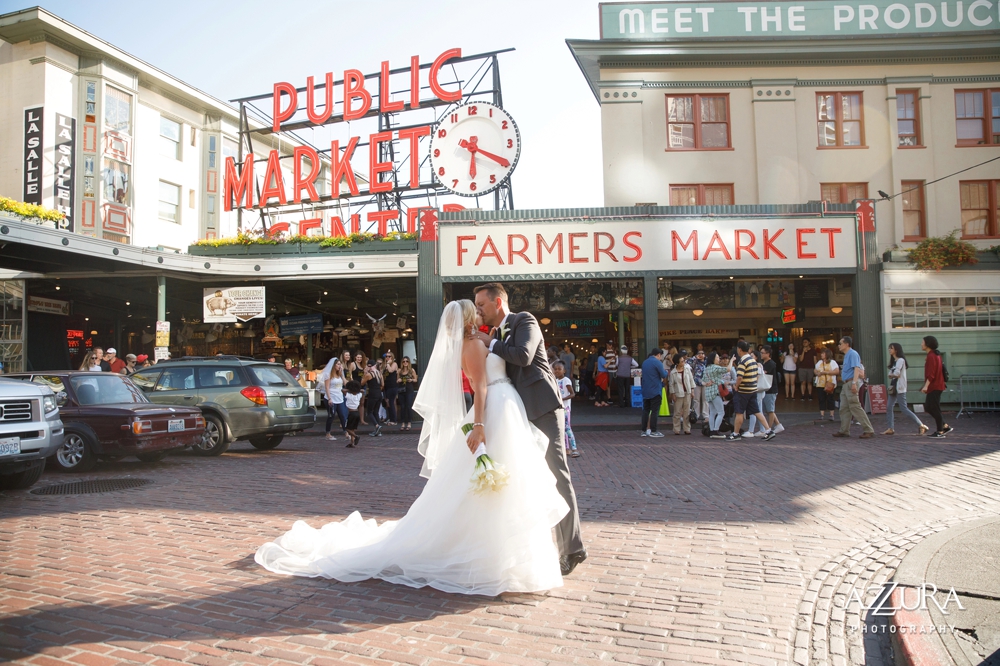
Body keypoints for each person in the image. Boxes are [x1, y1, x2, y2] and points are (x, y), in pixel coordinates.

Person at [257, 300, 571, 594]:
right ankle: (495, 554)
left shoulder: (479, 340)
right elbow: (479, 387)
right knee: (499, 482)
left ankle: (504, 552)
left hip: (506, 408)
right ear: (466, 319)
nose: (479, 312)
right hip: (495, 409)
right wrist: (479, 425)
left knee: (508, 481)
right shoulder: (474, 344)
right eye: (474, 310)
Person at [472, 283, 586, 576]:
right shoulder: (494, 334)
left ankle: (572, 549)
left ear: (498, 302)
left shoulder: (524, 320)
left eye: (481, 304)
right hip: (515, 414)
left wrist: (491, 344)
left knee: (556, 475)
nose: (478, 310)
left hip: (542, 408)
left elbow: (523, 355)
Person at [726, 340, 776, 441]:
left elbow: (740, 377)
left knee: (739, 412)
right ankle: (768, 430)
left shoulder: (742, 362)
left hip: (743, 391)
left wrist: (736, 386)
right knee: (757, 411)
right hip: (752, 390)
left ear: (739, 349)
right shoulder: (753, 360)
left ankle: (735, 434)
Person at [832, 336, 875, 439]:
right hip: (846, 384)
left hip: (851, 382)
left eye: (840, 343)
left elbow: (856, 368)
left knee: (855, 407)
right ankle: (844, 430)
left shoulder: (853, 354)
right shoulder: (847, 355)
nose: (839, 345)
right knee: (844, 408)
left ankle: (868, 429)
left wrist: (854, 383)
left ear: (846, 344)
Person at [885, 343, 928, 436]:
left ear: (896, 350)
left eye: (891, 348)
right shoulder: (895, 361)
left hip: (899, 387)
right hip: (893, 387)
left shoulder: (900, 360)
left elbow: (896, 374)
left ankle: (921, 425)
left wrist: (892, 374)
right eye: (889, 348)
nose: (889, 350)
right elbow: (891, 374)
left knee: (903, 408)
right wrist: (893, 374)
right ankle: (890, 428)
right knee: (889, 406)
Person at [920, 336, 952, 438]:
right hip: (937, 385)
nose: (921, 344)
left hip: (935, 386)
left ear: (927, 344)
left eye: (923, 342)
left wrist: (926, 386)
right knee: (929, 407)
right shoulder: (936, 355)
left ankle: (940, 431)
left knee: (934, 408)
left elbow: (931, 374)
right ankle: (944, 426)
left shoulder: (931, 356)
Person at [553, 362, 579, 458]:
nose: (557, 371)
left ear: (564, 370)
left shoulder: (566, 380)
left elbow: (572, 394)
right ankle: (566, 449)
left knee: (567, 428)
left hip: (565, 408)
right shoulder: (555, 380)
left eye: (559, 369)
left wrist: (562, 399)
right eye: (555, 369)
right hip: (559, 408)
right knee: (561, 429)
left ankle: (574, 448)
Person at [640, 348, 667, 438]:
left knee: (646, 410)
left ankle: (644, 430)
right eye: (661, 356)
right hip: (655, 390)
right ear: (658, 354)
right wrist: (666, 372)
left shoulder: (645, 362)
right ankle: (653, 430)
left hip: (646, 390)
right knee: (655, 411)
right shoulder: (657, 362)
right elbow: (663, 374)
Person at [701, 352, 728, 438]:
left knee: (712, 412)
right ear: (713, 359)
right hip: (715, 392)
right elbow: (728, 369)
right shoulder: (716, 367)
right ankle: (715, 430)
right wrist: (732, 361)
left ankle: (712, 430)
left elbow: (702, 381)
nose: (719, 359)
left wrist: (707, 383)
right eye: (717, 357)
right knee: (721, 412)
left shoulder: (706, 368)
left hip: (708, 393)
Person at [668, 353, 695, 435]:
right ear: (677, 363)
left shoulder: (687, 369)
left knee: (687, 412)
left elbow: (691, 379)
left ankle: (687, 428)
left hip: (687, 392)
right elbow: (671, 384)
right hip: (678, 393)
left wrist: (692, 390)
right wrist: (673, 394)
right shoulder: (673, 372)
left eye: (684, 361)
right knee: (677, 412)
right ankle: (676, 429)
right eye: (682, 361)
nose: (684, 362)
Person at [759, 345, 784, 433]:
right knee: (769, 410)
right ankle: (778, 425)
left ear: (768, 354)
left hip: (771, 390)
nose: (761, 354)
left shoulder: (770, 363)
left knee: (770, 410)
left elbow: (762, 373)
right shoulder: (764, 363)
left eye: (762, 353)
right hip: (767, 389)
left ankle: (768, 429)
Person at [323, 359, 348, 441]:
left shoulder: (339, 374)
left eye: (340, 364)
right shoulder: (328, 374)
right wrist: (329, 398)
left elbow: (345, 384)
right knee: (331, 416)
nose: (339, 366)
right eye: (338, 364)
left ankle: (346, 432)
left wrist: (342, 375)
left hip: (339, 397)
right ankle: (328, 433)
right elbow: (327, 387)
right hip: (331, 397)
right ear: (334, 365)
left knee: (343, 415)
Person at [814, 349, 839, 421]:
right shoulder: (819, 362)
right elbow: (815, 369)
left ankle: (831, 414)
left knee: (830, 399)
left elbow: (837, 371)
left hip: (830, 383)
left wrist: (825, 372)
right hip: (820, 383)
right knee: (821, 399)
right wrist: (816, 373)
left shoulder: (833, 362)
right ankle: (822, 414)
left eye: (823, 353)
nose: (821, 355)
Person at [362, 358, 385, 436]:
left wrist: (365, 373)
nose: (369, 367)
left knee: (369, 412)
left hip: (372, 393)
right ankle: (378, 431)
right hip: (379, 393)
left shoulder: (369, 374)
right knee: (376, 412)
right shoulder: (379, 373)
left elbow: (362, 383)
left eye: (369, 366)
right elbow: (382, 385)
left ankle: (377, 426)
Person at [398, 357, 418, 431]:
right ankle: (403, 422)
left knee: (409, 406)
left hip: (409, 390)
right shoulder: (399, 371)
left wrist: (411, 380)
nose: (405, 363)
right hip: (401, 390)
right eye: (403, 361)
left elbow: (415, 379)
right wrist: (399, 380)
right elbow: (397, 380)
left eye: (407, 361)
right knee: (402, 406)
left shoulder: (411, 370)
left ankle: (409, 422)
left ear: (409, 362)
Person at [342, 380, 363, 447]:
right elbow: (362, 391)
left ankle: (356, 436)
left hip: (351, 413)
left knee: (347, 428)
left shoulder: (349, 395)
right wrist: (358, 390)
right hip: (357, 413)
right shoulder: (359, 395)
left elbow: (343, 390)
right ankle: (352, 443)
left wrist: (350, 390)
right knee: (352, 428)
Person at [690, 349, 707, 423]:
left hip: (706, 383)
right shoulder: (695, 362)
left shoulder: (707, 362)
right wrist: (695, 357)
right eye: (699, 354)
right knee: (696, 400)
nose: (701, 355)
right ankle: (696, 415)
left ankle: (706, 415)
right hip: (696, 383)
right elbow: (688, 362)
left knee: (705, 400)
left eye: (702, 354)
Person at [382, 351, 399, 426]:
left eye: (389, 356)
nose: (387, 358)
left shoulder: (394, 364)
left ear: (392, 357)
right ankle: (390, 418)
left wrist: (388, 363)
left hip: (393, 386)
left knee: (391, 402)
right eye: (386, 356)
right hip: (386, 386)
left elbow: (391, 370)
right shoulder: (385, 365)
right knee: (388, 403)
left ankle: (394, 420)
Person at [603, 341, 618, 406]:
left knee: (617, 383)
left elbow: (617, 360)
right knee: (608, 385)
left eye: (610, 345)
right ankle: (609, 397)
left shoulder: (614, 351)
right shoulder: (605, 352)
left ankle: (620, 397)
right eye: (609, 345)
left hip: (614, 370)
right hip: (608, 370)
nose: (610, 346)